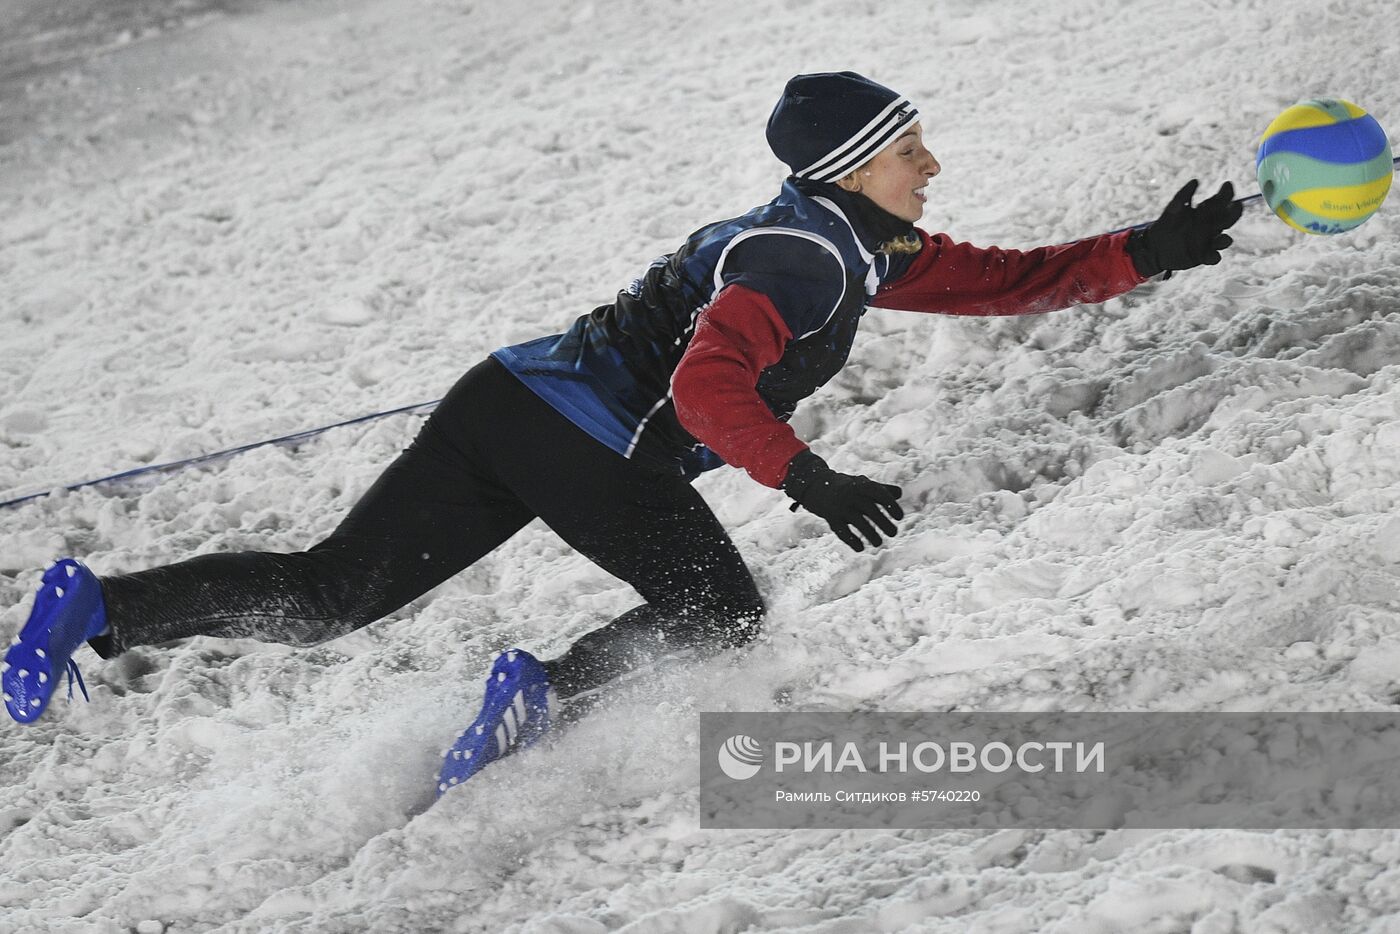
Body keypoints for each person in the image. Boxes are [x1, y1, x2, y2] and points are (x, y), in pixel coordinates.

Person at [2, 72, 1241, 794]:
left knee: (330, 594)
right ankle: (538, 695)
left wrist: (1146, 250)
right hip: (588, 439)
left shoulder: (843, 238)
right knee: (718, 607)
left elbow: (997, 279)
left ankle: (97, 605)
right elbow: (709, 392)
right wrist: (808, 477)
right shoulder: (801, 262)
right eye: (909, 150)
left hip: (504, 402)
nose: (932, 162)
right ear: (853, 167)